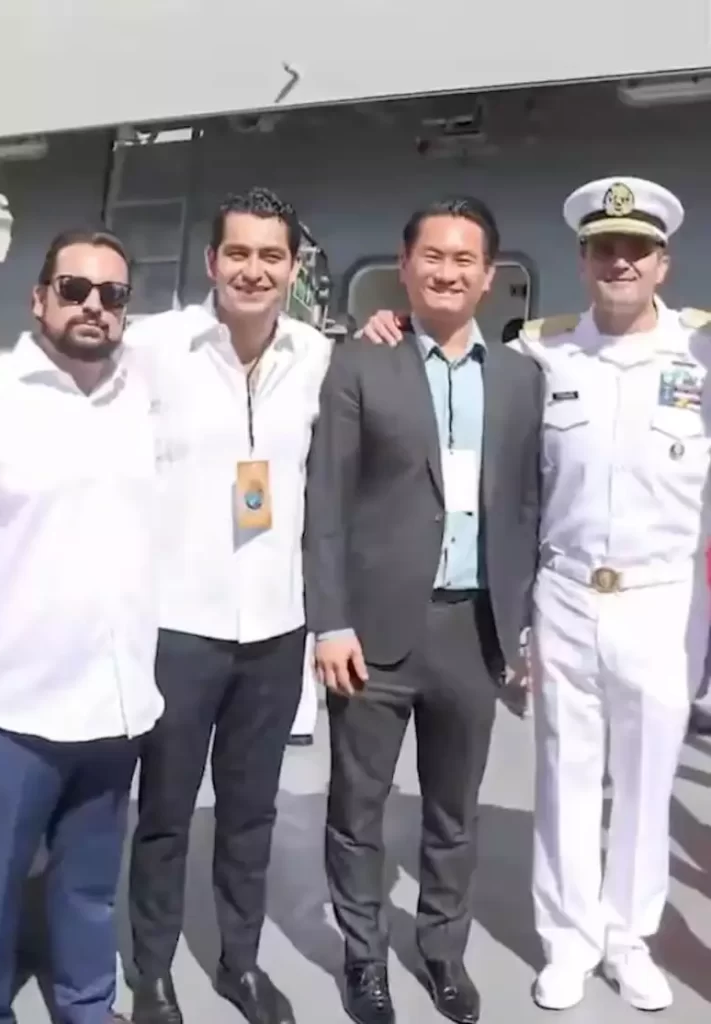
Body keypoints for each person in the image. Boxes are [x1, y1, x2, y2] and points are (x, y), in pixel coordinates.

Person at [359, 176, 711, 1013]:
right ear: (582, 261)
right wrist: (393, 326)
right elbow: (458, 366)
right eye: (603, 248)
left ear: (662, 264)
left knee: (646, 781)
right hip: (564, 592)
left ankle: (629, 939)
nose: (619, 262)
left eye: (636, 250)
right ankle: (567, 941)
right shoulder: (541, 354)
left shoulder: (700, 355)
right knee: (563, 774)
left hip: (663, 598)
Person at [304, 197, 542, 1024]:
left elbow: (525, 506)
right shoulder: (360, 364)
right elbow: (326, 501)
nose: (447, 271)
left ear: (488, 276)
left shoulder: (519, 378)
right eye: (431, 257)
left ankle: (442, 950)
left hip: (472, 631)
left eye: (463, 259)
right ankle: (364, 958)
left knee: (453, 813)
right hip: (372, 634)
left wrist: (521, 623)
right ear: (404, 268)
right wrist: (330, 621)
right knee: (356, 810)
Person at [126, 188, 334, 1024]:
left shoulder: (317, 355)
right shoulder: (152, 347)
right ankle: (151, 975)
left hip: (274, 629)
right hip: (178, 626)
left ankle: (238, 964)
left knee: (250, 814)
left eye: (270, 255)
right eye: (238, 253)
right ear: (211, 261)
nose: (253, 270)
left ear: (292, 267)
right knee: (165, 815)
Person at [0, 228, 164, 1024]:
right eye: (74, 289)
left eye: (112, 295)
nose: (93, 306)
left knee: (89, 885)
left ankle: (89, 1006)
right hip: (14, 702)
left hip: (115, 703)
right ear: (38, 298)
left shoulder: (144, 396)